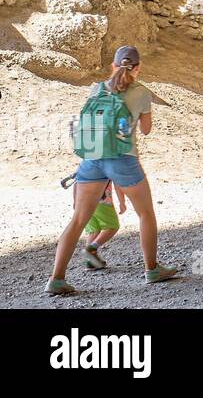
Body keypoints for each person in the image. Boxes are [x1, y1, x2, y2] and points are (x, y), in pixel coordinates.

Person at [47, 45, 179, 295]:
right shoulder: (142, 92)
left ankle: (56, 279)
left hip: (93, 157)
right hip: (122, 159)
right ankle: (152, 269)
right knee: (146, 214)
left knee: (78, 220)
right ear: (138, 68)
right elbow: (147, 129)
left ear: (113, 65)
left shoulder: (95, 88)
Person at [77, 180, 126, 271]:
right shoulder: (109, 166)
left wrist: (75, 201)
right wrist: (122, 202)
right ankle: (91, 248)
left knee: (94, 230)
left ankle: (91, 262)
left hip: (84, 202)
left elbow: (77, 182)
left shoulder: (85, 166)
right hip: (102, 202)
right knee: (112, 227)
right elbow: (117, 184)